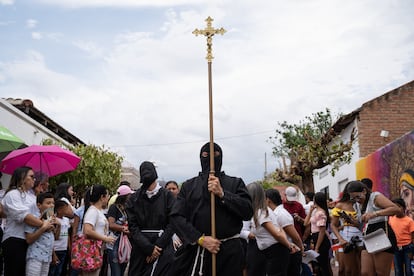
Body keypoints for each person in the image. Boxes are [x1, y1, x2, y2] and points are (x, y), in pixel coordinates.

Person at [170, 142, 253, 276]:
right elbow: (176, 217)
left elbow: (248, 211)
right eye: (206, 155)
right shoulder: (189, 186)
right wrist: (200, 239)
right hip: (199, 251)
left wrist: (223, 193)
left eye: (215, 154)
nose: (210, 158)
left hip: (230, 254)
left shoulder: (235, 183)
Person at [126, 161, 175, 276]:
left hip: (163, 246)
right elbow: (133, 227)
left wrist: (158, 247)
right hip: (141, 248)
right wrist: (149, 248)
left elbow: (172, 223)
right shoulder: (133, 199)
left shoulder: (167, 196)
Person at [347, 180, 400, 276]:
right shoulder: (357, 205)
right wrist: (352, 221)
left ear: (364, 191)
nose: (356, 200)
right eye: (353, 198)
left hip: (381, 233)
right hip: (368, 235)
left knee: (381, 272)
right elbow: (361, 223)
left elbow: (395, 209)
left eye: (357, 196)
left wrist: (375, 214)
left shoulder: (375, 197)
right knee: (366, 272)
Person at [1, 166, 46, 276]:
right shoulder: (13, 194)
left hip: (30, 240)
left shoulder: (32, 197)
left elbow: (37, 216)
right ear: (22, 178)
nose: (34, 179)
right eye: (31, 176)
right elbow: (24, 216)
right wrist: (44, 224)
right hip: (15, 238)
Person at [247, 183, 297, 276]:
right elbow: (278, 230)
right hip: (273, 251)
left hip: (276, 251)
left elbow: (277, 233)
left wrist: (289, 245)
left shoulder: (260, 212)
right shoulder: (260, 211)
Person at [266, 188, 304, 276]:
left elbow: (295, 236)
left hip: (291, 252)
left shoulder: (280, 214)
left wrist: (301, 249)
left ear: (268, 200)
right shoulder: (276, 213)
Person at [82, 184, 116, 276]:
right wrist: (105, 238)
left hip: (97, 250)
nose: (108, 198)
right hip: (91, 250)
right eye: (107, 195)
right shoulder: (93, 211)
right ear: (102, 197)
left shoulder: (98, 211)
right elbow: (87, 230)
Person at [330, 184, 363, 276]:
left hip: (362, 235)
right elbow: (333, 225)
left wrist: (352, 220)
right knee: (349, 269)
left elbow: (359, 223)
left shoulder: (359, 204)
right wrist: (340, 239)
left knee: (361, 268)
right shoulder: (340, 205)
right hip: (347, 236)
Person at [25, 192, 59, 276]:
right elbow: (29, 239)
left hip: (47, 258)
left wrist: (59, 225)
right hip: (35, 258)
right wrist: (43, 227)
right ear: (39, 205)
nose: (51, 205)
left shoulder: (51, 219)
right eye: (48, 203)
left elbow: (55, 238)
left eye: (53, 203)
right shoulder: (33, 219)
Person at [304, 192, 333, 276]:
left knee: (324, 266)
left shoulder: (321, 213)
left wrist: (317, 247)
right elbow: (305, 223)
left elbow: (322, 231)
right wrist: (310, 211)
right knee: (321, 265)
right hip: (316, 237)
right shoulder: (316, 211)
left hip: (320, 239)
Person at [107, 185, 133, 276]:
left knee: (122, 270)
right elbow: (111, 224)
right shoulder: (114, 208)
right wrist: (123, 228)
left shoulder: (128, 209)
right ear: (125, 196)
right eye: (130, 195)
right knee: (116, 272)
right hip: (114, 242)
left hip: (125, 243)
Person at [389, 198, 414, 276]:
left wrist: (412, 251)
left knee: (408, 270)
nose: (396, 209)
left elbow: (413, 237)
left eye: (399, 206)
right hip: (396, 248)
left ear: (403, 207)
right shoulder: (391, 219)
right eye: (394, 207)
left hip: (408, 248)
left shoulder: (409, 221)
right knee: (398, 270)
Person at [49, 199, 73, 276]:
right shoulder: (54, 220)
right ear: (59, 210)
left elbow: (68, 234)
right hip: (56, 249)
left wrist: (69, 246)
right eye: (65, 209)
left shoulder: (66, 220)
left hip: (64, 248)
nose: (67, 211)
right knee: (53, 270)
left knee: (60, 269)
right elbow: (53, 235)